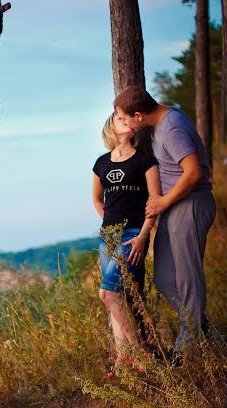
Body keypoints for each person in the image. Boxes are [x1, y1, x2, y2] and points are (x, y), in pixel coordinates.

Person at [114, 86, 216, 353]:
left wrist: (163, 202)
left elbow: (193, 172)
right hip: (174, 208)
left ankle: (190, 351)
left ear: (139, 115)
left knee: (187, 279)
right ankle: (206, 334)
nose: (124, 123)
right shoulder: (161, 124)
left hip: (190, 205)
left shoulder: (171, 128)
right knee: (165, 278)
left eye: (126, 118)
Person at [92, 112, 161, 366]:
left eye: (127, 118)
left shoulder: (146, 161)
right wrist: (107, 222)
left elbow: (154, 203)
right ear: (111, 126)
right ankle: (124, 358)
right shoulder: (101, 163)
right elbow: (98, 200)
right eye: (118, 118)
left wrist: (144, 235)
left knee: (107, 293)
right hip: (107, 238)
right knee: (116, 296)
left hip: (133, 236)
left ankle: (141, 353)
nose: (124, 120)